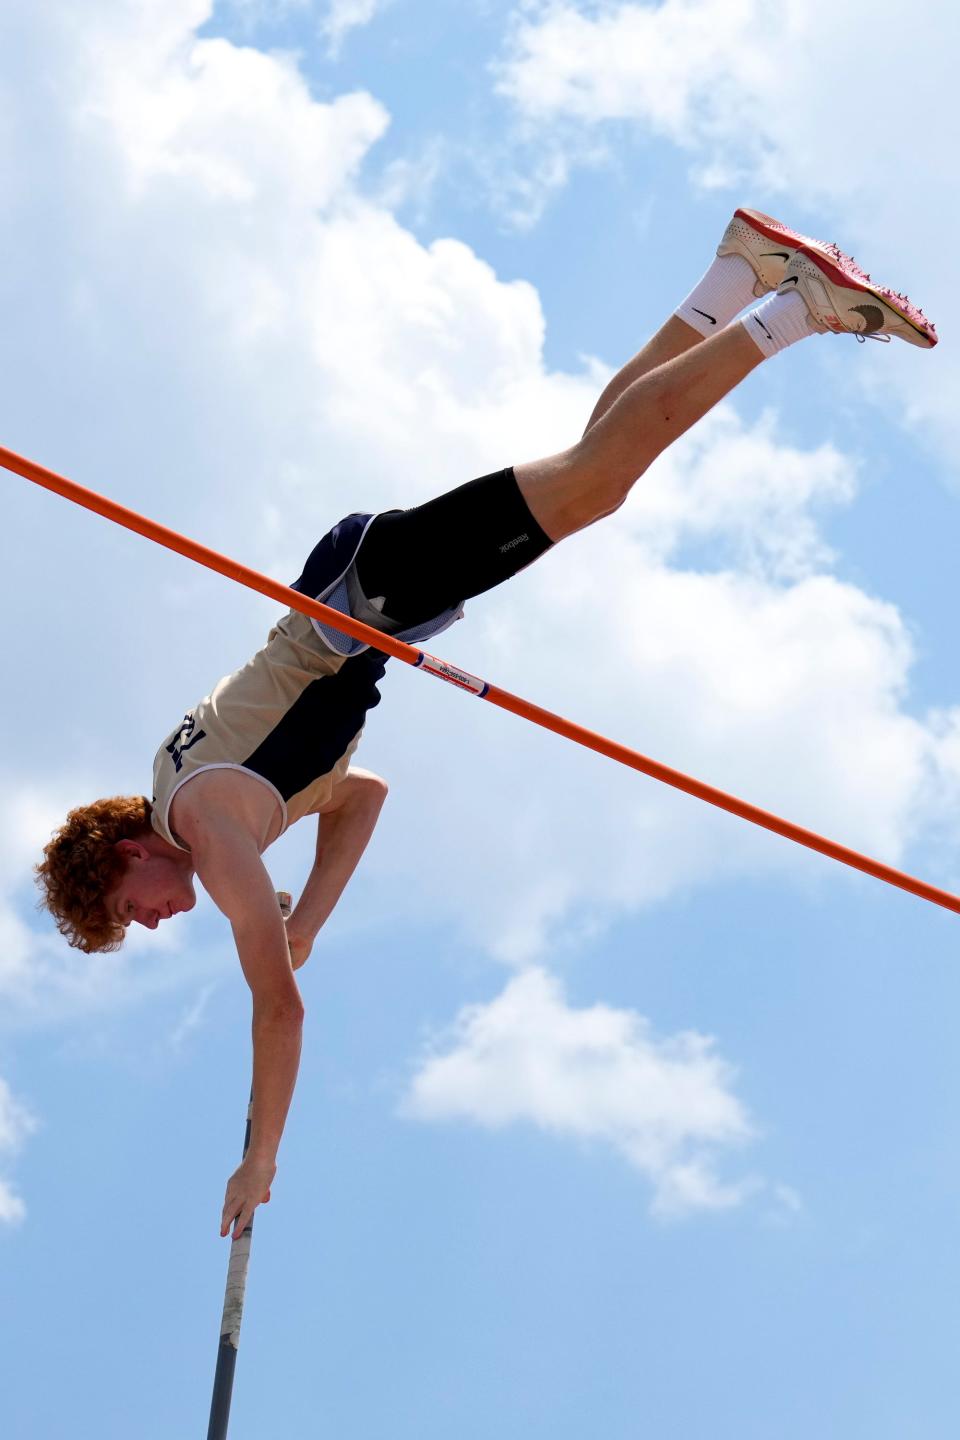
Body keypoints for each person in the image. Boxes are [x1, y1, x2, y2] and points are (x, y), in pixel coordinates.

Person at [35, 209, 936, 1240]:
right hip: (369, 594)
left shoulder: (209, 824)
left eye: (128, 908)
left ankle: (800, 305)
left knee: (597, 484)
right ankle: (739, 276)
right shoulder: (214, 800)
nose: (152, 923)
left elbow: (277, 1011)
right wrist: (312, 918)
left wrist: (259, 1159)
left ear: (124, 849)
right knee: (597, 463)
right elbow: (362, 797)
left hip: (369, 594)